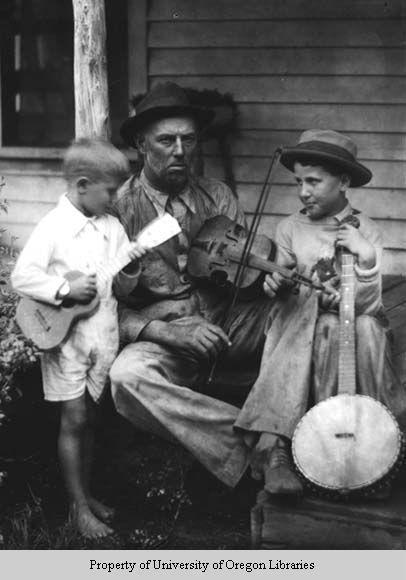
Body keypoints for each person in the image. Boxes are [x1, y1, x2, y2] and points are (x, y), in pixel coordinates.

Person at [110, 82, 274, 488]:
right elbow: (101, 304)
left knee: (301, 313)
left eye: (189, 139)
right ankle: (255, 448)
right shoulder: (117, 209)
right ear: (141, 145)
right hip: (164, 335)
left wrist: (267, 275)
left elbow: (240, 282)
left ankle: (301, 439)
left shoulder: (217, 196)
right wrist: (164, 331)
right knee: (126, 379)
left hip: (226, 321)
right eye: (167, 140)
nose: (180, 151)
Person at [235, 129, 406, 494]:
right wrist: (274, 284)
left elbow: (371, 306)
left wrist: (367, 257)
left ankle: (377, 449)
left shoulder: (366, 231)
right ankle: (296, 449)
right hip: (299, 328)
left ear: (344, 181)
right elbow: (281, 279)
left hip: (354, 325)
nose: (303, 191)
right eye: (299, 181)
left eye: (313, 181)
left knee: (367, 330)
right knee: (314, 316)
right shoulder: (289, 228)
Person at [11, 139, 147, 538]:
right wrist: (63, 292)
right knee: (74, 420)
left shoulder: (113, 227)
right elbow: (23, 276)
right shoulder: (53, 227)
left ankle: (86, 497)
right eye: (110, 191)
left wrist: (131, 269)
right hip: (65, 339)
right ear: (83, 184)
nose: (115, 199)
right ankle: (76, 507)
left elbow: (121, 288)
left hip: (102, 338)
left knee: (90, 421)